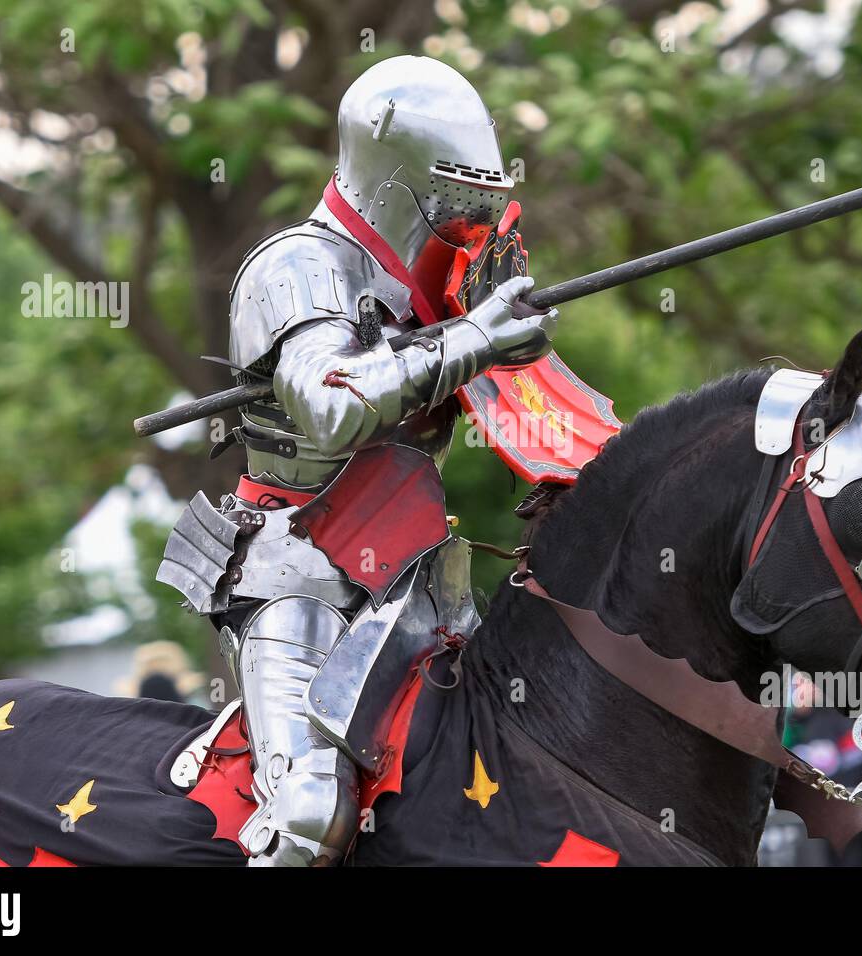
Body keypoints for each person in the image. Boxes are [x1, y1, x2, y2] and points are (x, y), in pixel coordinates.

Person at [155, 56, 559, 866]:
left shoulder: (422, 286)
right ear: (391, 167)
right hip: (297, 573)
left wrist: (508, 360)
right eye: (445, 195)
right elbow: (334, 407)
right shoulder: (297, 266)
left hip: (417, 581)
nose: (455, 218)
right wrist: (475, 340)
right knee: (308, 819)